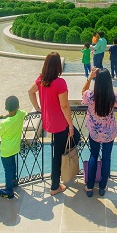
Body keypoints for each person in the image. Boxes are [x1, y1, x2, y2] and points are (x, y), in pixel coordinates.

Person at [28, 52, 76, 196]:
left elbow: (30, 92)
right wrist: (71, 125)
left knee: (58, 151)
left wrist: (38, 107)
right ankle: (55, 185)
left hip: (49, 121)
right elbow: (64, 106)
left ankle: (58, 179)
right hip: (61, 123)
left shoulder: (41, 79)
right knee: (59, 153)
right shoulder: (60, 83)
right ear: (58, 66)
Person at [82, 69, 117, 196]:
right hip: (109, 132)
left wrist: (89, 77)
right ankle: (103, 186)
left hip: (95, 132)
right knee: (106, 158)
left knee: (93, 155)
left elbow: (83, 92)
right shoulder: (113, 97)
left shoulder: (91, 96)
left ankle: (90, 187)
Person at [0, 96, 26, 199]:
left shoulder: (5, 123)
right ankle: (14, 181)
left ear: (6, 107)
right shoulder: (20, 115)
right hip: (15, 147)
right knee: (13, 165)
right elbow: (24, 112)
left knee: (7, 169)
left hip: (6, 150)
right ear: (18, 106)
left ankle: (9, 191)